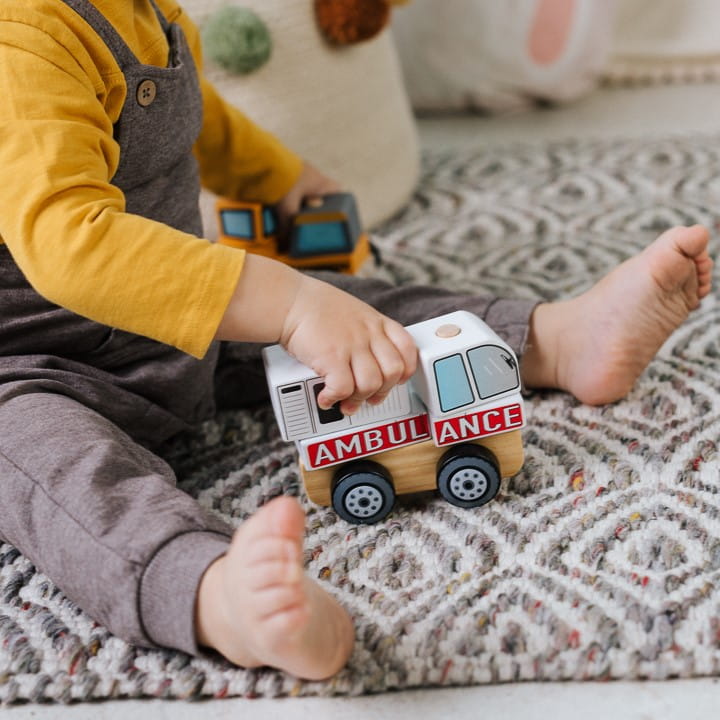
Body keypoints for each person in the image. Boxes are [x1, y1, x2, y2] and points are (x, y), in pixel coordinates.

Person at [0, 0, 713, 682]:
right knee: (62, 481)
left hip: (176, 326)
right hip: (34, 370)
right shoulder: (21, 39)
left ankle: (555, 340)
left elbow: (200, 122)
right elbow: (70, 243)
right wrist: (288, 304)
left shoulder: (138, 12)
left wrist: (284, 182)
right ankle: (217, 595)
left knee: (356, 315)